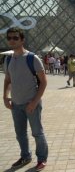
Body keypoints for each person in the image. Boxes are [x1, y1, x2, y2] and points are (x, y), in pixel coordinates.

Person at [3, 27, 48, 171]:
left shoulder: (32, 58)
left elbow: (44, 82)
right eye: (9, 38)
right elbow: (8, 79)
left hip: (31, 103)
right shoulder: (8, 58)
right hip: (15, 104)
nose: (12, 40)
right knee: (20, 134)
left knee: (37, 133)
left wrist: (34, 102)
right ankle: (25, 156)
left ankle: (41, 158)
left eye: (15, 38)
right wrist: (5, 96)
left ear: (22, 40)